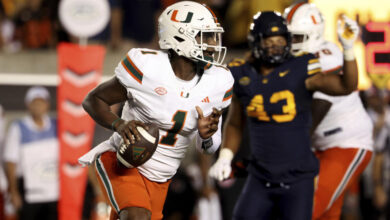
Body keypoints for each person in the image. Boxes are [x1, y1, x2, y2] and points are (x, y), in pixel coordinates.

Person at [78, 1, 234, 220]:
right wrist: (120, 125)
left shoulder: (218, 81)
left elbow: (208, 148)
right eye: (204, 36)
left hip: (162, 177)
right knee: (137, 216)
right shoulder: (149, 69)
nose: (211, 44)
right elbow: (93, 99)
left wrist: (207, 136)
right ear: (180, 36)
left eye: (213, 36)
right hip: (123, 161)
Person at [208, 11, 359, 219]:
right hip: (260, 177)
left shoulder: (302, 66)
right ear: (256, 42)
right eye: (270, 40)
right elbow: (235, 123)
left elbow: (345, 86)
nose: (276, 45)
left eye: (280, 40)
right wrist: (225, 157)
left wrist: (349, 50)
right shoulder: (242, 73)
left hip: (298, 179)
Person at [283, 3, 373, 220]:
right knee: (326, 214)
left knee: (304, 209)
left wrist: (290, 149)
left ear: (313, 34)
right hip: (320, 144)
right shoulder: (295, 58)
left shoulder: (324, 56)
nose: (290, 43)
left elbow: (319, 107)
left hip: (346, 142)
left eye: (296, 37)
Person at [3, 86, 59, 220]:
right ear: (28, 105)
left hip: (54, 192)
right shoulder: (18, 128)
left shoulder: (57, 125)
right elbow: (11, 161)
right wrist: (14, 191)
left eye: (41, 102)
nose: (38, 106)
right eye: (35, 102)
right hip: (28, 192)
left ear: (47, 104)